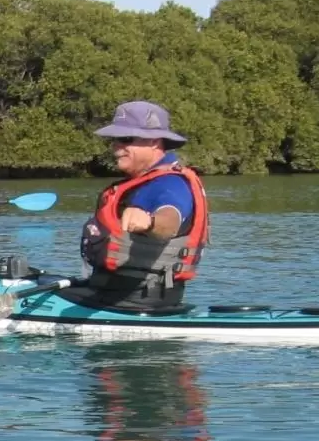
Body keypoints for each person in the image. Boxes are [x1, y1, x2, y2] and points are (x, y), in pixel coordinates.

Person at [62, 100, 210, 313]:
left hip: (130, 299)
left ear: (153, 142)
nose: (116, 147)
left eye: (125, 139)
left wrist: (149, 223)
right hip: (126, 293)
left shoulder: (169, 184)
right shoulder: (145, 182)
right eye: (114, 140)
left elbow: (170, 221)